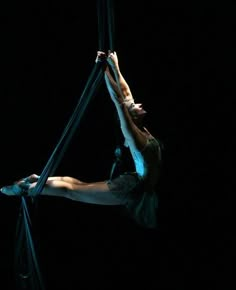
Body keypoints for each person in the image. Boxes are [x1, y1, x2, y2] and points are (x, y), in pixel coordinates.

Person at [1, 51, 162, 228]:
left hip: (134, 183)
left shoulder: (139, 127)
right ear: (130, 116)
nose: (138, 104)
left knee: (79, 185)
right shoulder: (132, 134)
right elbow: (119, 102)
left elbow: (125, 93)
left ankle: (36, 179)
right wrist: (103, 70)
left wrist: (113, 66)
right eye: (134, 106)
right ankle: (26, 189)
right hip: (131, 190)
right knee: (72, 191)